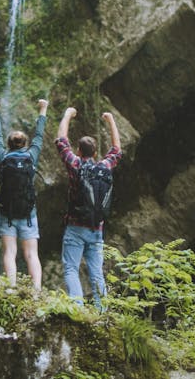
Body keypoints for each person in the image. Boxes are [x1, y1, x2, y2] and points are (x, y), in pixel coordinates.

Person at [56, 107, 122, 307]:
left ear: (78, 151)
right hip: (97, 228)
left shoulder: (75, 165)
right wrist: (110, 120)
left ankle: (77, 308)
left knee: (70, 269)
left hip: (75, 227)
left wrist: (67, 114)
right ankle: (102, 312)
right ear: (95, 153)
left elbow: (61, 141)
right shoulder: (104, 167)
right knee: (96, 274)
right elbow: (117, 149)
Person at [0, 96, 48, 289]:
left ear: (9, 143)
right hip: (28, 212)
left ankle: (12, 289)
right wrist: (43, 110)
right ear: (25, 143)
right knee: (32, 254)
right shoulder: (31, 156)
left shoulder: (2, 157)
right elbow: (39, 136)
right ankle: (37, 291)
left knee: (9, 252)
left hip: (6, 212)